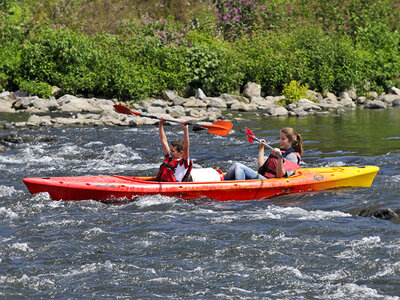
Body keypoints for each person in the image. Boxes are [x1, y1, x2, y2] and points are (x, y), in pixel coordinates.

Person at [224, 127, 303, 180]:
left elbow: (280, 175)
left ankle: (238, 191)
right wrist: (261, 148)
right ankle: (223, 184)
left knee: (239, 167)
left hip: (271, 182)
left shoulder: (292, 156)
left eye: (283, 139)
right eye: (280, 138)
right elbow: (261, 167)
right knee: (235, 165)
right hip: (264, 178)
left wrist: (279, 158)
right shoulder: (280, 151)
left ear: (291, 141)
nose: (280, 141)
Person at [155, 117, 193, 182]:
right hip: (160, 183)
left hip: (172, 187)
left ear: (181, 152)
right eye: (170, 150)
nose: (170, 152)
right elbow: (164, 141)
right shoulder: (170, 156)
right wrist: (160, 124)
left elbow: (186, 148)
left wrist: (185, 129)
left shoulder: (183, 162)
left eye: (173, 151)